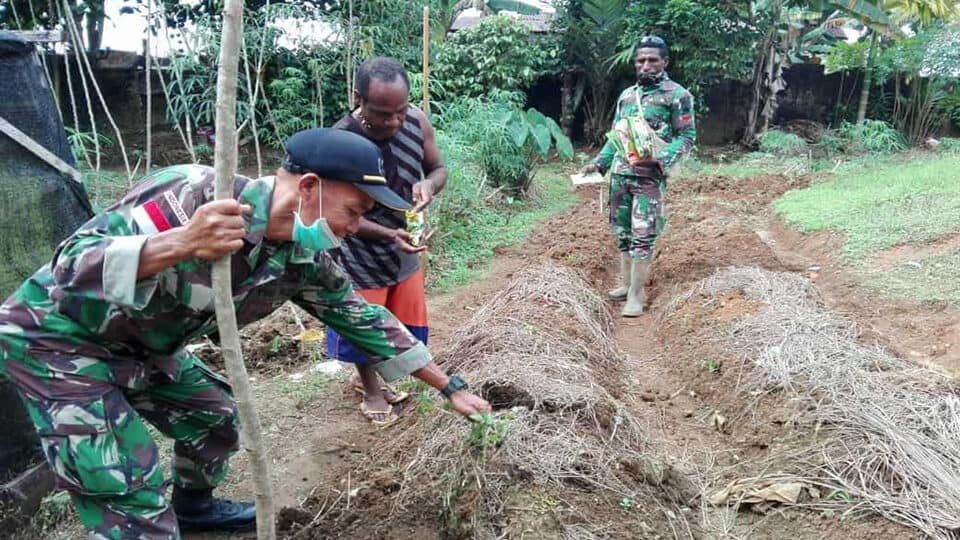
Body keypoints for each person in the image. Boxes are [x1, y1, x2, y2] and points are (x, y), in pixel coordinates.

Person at [0, 128, 490, 539]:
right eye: (355, 211)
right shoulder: (195, 195)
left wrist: (448, 387)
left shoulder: (301, 260)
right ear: (310, 187)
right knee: (128, 481)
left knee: (214, 418)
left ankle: (194, 508)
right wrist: (183, 241)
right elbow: (71, 265)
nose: (356, 226)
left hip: (143, 345)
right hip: (57, 335)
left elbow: (365, 320)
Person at [326, 57, 446, 426]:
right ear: (358, 98)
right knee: (362, 321)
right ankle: (371, 388)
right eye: (382, 113)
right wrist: (386, 233)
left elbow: (438, 169)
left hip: (405, 243)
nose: (393, 122)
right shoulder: (340, 140)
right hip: (359, 247)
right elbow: (337, 215)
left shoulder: (417, 121)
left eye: (400, 110)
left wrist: (430, 184)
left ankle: (385, 375)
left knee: (399, 320)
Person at [581, 35, 696, 317]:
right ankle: (625, 283)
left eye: (652, 60)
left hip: (649, 179)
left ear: (664, 62)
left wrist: (663, 158)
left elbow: (687, 136)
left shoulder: (677, 95)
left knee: (643, 234)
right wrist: (599, 164)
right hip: (620, 175)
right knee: (623, 233)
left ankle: (636, 293)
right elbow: (616, 136)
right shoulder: (627, 96)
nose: (645, 65)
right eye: (640, 61)